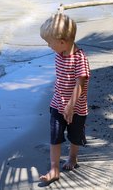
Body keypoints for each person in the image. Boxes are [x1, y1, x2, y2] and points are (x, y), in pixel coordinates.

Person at [39, 13, 91, 184]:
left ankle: (73, 158)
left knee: (75, 136)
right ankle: (54, 168)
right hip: (57, 104)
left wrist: (70, 105)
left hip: (76, 107)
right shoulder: (59, 54)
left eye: (49, 42)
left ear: (61, 41)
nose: (48, 46)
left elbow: (80, 83)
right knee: (55, 136)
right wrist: (62, 103)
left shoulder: (79, 58)